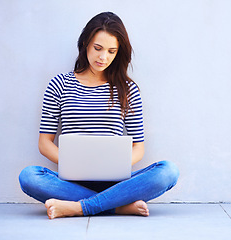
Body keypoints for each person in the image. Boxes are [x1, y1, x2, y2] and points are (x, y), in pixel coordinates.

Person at [19, 12, 179, 219]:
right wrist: (73, 164)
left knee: (168, 171)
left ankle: (79, 207)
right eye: (98, 48)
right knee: (29, 176)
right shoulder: (59, 85)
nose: (103, 57)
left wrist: (116, 165)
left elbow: (138, 147)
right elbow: (44, 143)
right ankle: (117, 206)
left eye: (112, 51)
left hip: (116, 180)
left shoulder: (127, 89)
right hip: (70, 180)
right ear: (85, 43)